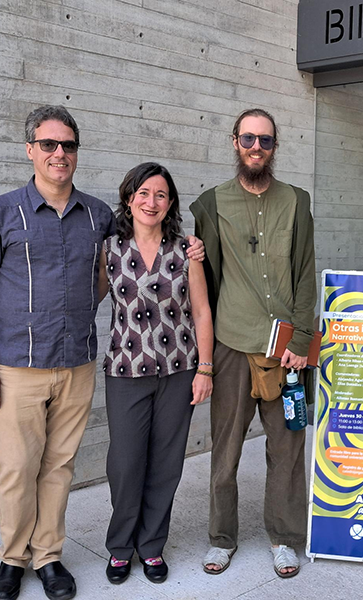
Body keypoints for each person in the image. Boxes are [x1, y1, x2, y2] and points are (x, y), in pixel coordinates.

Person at [0, 105, 114, 600]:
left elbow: (108, 277)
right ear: (31, 150)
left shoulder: (99, 215)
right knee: (17, 468)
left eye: (67, 145)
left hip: (78, 362)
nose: (59, 153)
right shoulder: (1, 212)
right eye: (49, 144)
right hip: (14, 369)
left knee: (59, 466)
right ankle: (11, 560)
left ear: (76, 153)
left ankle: (48, 557)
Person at [189, 108, 316, 578]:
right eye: (248, 139)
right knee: (225, 451)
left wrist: (302, 338)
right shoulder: (210, 204)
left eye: (265, 140)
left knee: (287, 448)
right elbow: (198, 275)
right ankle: (222, 538)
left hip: (287, 351)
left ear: (275, 146)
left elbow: (306, 272)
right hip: (232, 343)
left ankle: (284, 538)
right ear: (235, 143)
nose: (256, 147)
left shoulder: (296, 201)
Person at [99, 162, 214, 585]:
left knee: (166, 464)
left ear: (170, 204)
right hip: (125, 370)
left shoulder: (186, 249)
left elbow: (201, 310)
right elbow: (90, 298)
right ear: (129, 198)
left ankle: (151, 547)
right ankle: (119, 547)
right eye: (144, 193)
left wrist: (206, 368)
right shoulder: (109, 249)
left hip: (179, 370)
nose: (152, 201)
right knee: (126, 463)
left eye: (161, 195)